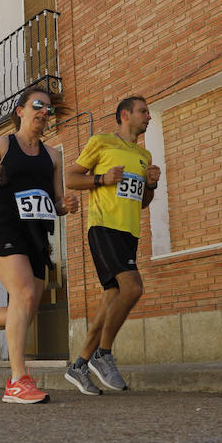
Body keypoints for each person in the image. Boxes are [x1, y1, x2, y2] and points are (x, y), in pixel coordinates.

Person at [0, 87, 78, 404]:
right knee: (24, 294)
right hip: (4, 226)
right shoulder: (2, 144)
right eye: (37, 105)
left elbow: (56, 201)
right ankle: (18, 381)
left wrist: (66, 204)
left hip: (37, 235)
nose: (44, 111)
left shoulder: (53, 156)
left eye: (48, 107)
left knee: (24, 309)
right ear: (20, 111)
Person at [63, 96, 161, 394]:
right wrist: (103, 178)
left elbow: (142, 202)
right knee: (132, 288)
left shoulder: (144, 154)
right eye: (143, 112)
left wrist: (152, 184)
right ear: (125, 115)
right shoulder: (102, 141)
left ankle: (79, 365)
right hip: (104, 226)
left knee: (112, 297)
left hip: (129, 232)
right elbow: (71, 177)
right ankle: (103, 354)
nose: (148, 117)